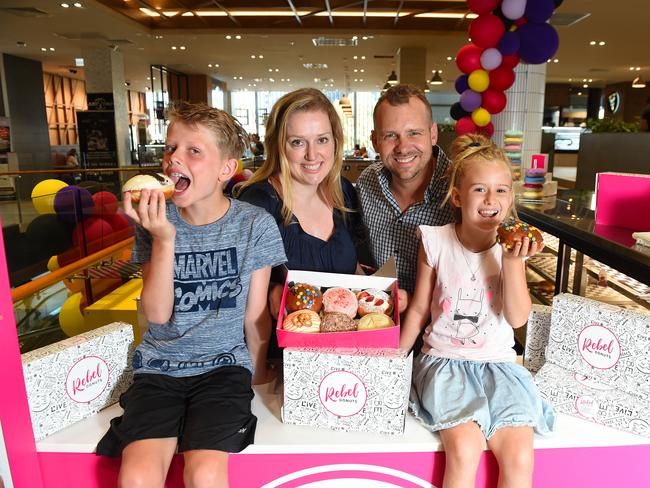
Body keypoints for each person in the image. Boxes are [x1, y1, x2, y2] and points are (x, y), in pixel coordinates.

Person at [96, 101, 287, 487]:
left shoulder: (255, 225)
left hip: (223, 369)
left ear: (226, 169)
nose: (173, 160)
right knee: (136, 477)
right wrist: (164, 239)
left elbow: (254, 316)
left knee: (205, 474)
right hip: (159, 369)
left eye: (192, 151)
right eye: (170, 148)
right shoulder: (155, 222)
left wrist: (259, 375)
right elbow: (157, 314)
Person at [401, 134, 555, 488]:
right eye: (479, 190)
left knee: (518, 456)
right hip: (445, 363)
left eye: (501, 190)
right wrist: (395, 356)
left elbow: (517, 319)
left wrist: (514, 263)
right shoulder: (435, 241)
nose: (491, 200)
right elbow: (420, 308)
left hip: (500, 366)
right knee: (466, 449)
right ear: (457, 196)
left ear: (511, 198)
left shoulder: (514, 249)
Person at [235, 88, 367, 349]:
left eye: (322, 140)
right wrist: (273, 288)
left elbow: (353, 270)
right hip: (275, 354)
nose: (312, 155)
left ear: (335, 141)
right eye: (297, 142)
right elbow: (235, 293)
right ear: (278, 146)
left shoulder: (343, 192)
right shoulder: (258, 202)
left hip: (345, 350)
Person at [356, 84, 454, 302]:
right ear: (375, 141)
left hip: (446, 328)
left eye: (414, 133)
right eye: (391, 135)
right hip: (381, 317)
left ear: (433, 134)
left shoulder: (462, 190)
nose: (403, 147)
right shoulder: (367, 184)